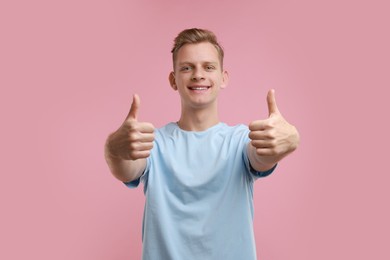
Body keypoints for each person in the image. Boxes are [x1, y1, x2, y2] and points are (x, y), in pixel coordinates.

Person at [104, 28, 299, 260]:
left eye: (208, 67)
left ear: (223, 77)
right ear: (173, 79)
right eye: (187, 68)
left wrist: (289, 139)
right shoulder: (153, 143)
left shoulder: (239, 141)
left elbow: (261, 157)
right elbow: (127, 169)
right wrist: (113, 149)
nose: (198, 75)